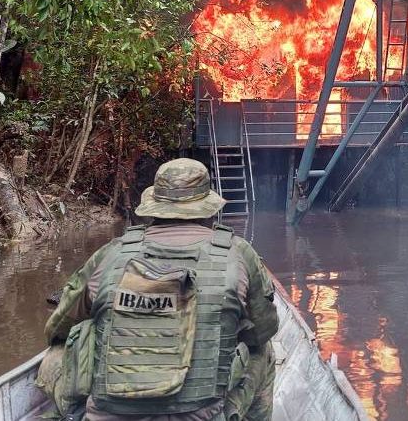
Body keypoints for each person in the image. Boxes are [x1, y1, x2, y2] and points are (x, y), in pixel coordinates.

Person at [39, 158, 278, 421]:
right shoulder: (238, 253)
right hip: (201, 415)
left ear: (154, 208)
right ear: (209, 210)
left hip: (109, 415)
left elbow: (59, 326)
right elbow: (263, 330)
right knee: (263, 351)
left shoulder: (113, 252)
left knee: (63, 346)